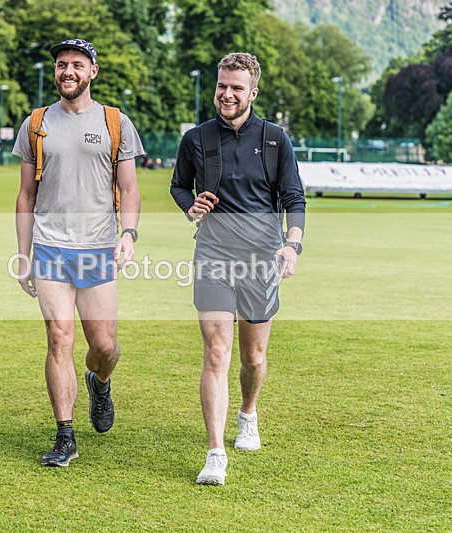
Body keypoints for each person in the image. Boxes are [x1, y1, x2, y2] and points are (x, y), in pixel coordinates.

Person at [170, 53, 306, 485]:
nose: (226, 94)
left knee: (253, 357)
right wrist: (189, 206)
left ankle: (248, 413)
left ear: (253, 92)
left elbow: (294, 198)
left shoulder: (275, 139)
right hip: (212, 256)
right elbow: (179, 185)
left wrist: (292, 245)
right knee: (216, 353)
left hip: (261, 260)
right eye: (221, 86)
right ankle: (215, 453)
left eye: (236, 88)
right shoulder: (196, 138)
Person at [12, 39, 145, 467]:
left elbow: (129, 189)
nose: (67, 71)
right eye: (60, 64)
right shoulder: (36, 123)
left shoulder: (115, 122)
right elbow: (25, 195)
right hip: (50, 247)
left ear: (92, 71)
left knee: (104, 346)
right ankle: (64, 435)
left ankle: (99, 382)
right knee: (59, 337)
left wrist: (129, 234)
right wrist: (23, 254)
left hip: (98, 247)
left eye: (76, 65)